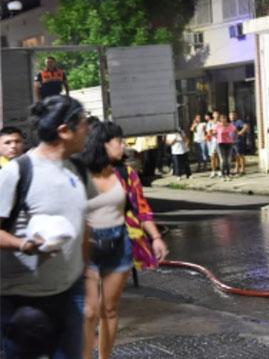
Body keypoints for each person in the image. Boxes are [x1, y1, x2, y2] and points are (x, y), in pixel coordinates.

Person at [0, 95, 90, 358]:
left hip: (70, 293)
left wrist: (90, 279)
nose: (88, 130)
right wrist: (24, 245)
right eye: (83, 123)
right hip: (22, 301)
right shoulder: (16, 173)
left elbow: (85, 225)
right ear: (64, 131)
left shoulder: (78, 170)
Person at [81, 120, 168, 359]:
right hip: (85, 247)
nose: (123, 145)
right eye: (118, 141)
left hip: (119, 243)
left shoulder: (126, 174)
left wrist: (156, 237)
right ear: (102, 144)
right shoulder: (79, 174)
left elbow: (141, 208)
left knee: (108, 309)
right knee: (89, 311)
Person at [215, 114, 237, 181]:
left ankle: (228, 174)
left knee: (228, 159)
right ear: (220, 119)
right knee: (222, 160)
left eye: (224, 118)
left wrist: (234, 139)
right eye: (222, 118)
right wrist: (215, 137)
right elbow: (212, 132)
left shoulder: (230, 125)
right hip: (220, 143)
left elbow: (236, 132)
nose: (223, 120)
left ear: (226, 119)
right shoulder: (218, 126)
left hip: (229, 143)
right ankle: (222, 175)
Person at [230, 112, 249, 177]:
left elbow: (246, 126)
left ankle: (243, 169)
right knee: (236, 156)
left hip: (238, 141)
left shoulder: (239, 121)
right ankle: (236, 169)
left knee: (240, 155)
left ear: (236, 116)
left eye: (233, 115)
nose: (232, 116)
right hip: (232, 142)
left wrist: (241, 132)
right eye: (230, 115)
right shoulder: (231, 123)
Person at [206, 111, 220, 178]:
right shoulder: (210, 123)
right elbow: (209, 132)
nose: (216, 115)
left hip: (220, 141)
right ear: (213, 115)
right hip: (212, 142)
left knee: (219, 156)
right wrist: (214, 133)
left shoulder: (220, 122)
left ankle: (220, 170)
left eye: (217, 113)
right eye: (215, 114)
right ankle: (213, 171)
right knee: (212, 156)